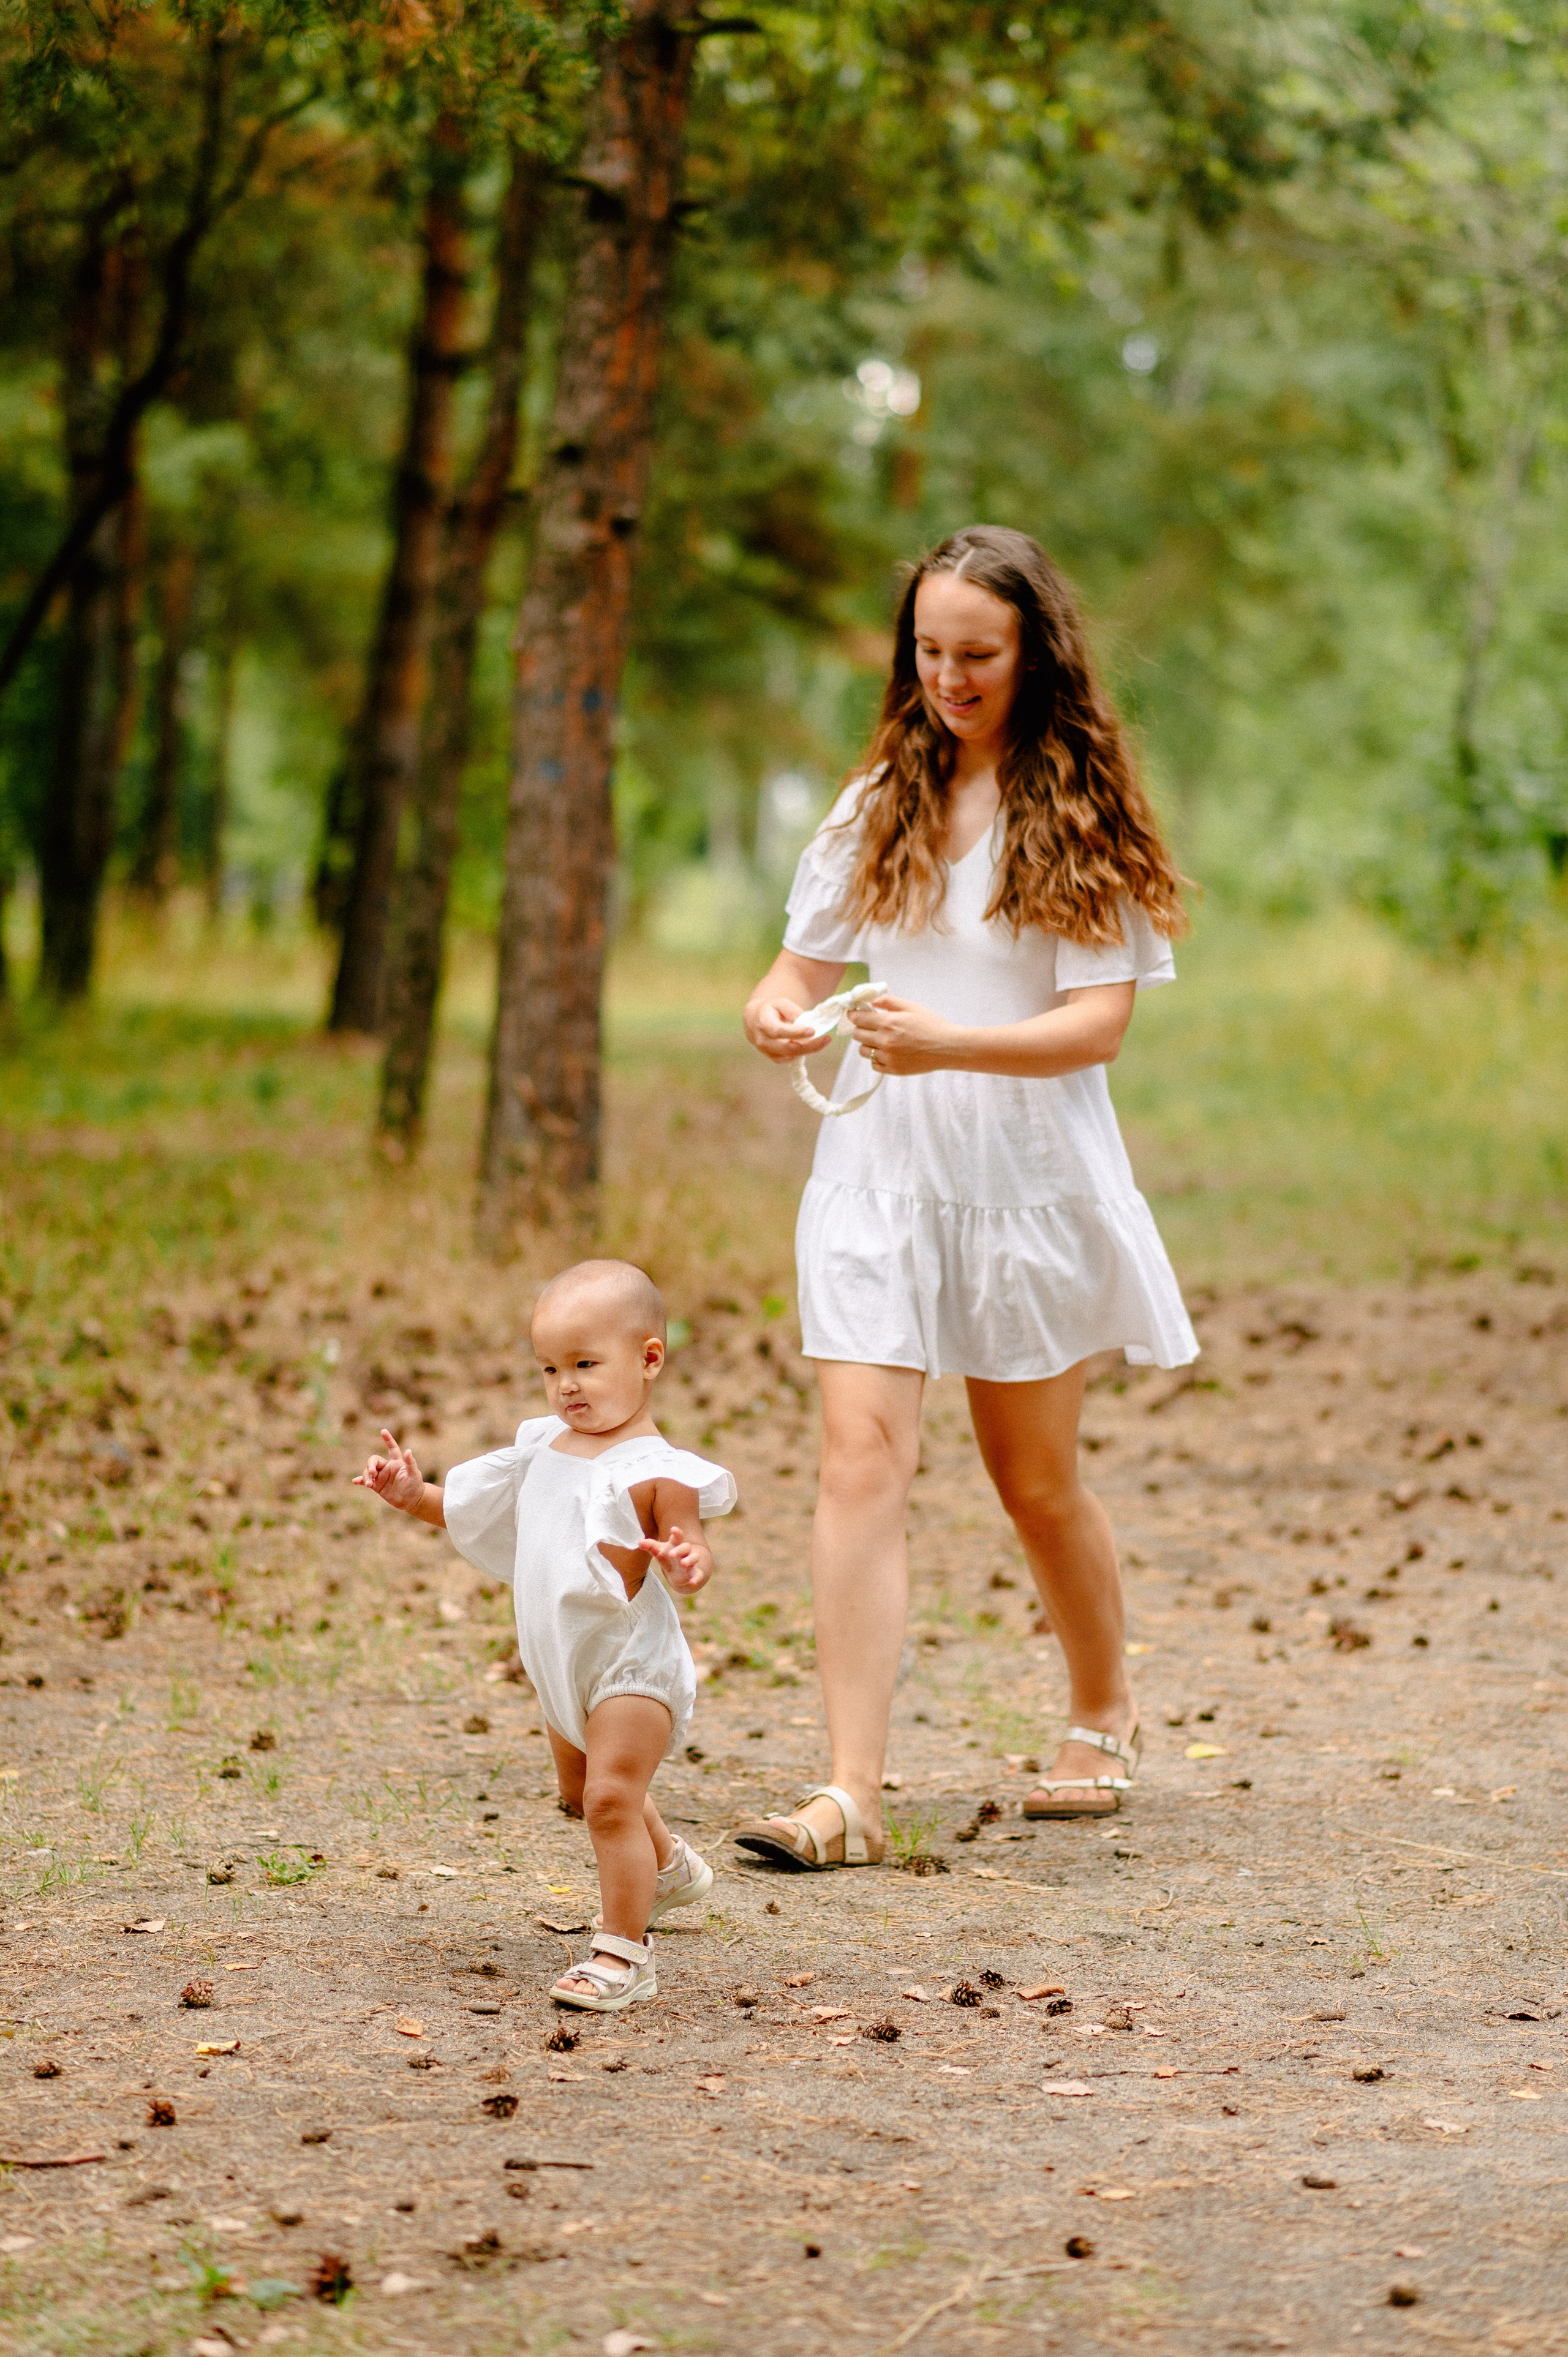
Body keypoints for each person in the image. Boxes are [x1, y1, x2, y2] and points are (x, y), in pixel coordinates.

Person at [734, 526, 1197, 1872]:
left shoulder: (1080, 807)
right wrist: (776, 1014)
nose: (946, 675)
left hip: (1022, 1183)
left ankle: (1101, 1710)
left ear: (1033, 652)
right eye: (927, 650)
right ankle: (849, 1796)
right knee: (857, 1459)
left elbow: (1095, 1025)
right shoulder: (877, 793)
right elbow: (796, 971)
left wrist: (950, 1043)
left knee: (1032, 1479)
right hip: (877, 1176)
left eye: (974, 653)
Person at [354, 1258, 736, 2008]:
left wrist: (686, 1561)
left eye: (586, 1365)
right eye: (551, 1367)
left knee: (609, 1800)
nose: (566, 1385)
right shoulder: (541, 1448)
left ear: (649, 1358)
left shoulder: (660, 1470)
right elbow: (464, 1508)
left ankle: (624, 1953)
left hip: (629, 1661)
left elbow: (692, 1553)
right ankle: (667, 1870)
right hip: (560, 1664)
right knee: (584, 1793)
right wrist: (411, 1494)